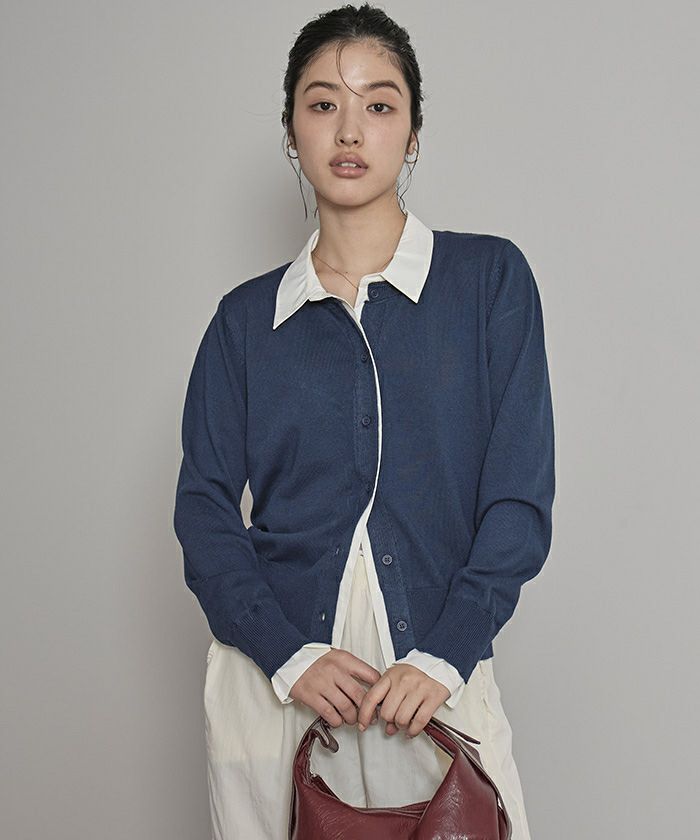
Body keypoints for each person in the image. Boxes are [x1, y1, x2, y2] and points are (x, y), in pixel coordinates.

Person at [173, 4, 555, 839]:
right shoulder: (245, 322)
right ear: (292, 131)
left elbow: (518, 498)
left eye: (379, 104)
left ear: (413, 133)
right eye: (323, 104)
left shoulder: (488, 282)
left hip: (432, 681)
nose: (350, 129)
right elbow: (203, 510)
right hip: (276, 688)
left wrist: (448, 652)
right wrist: (285, 653)